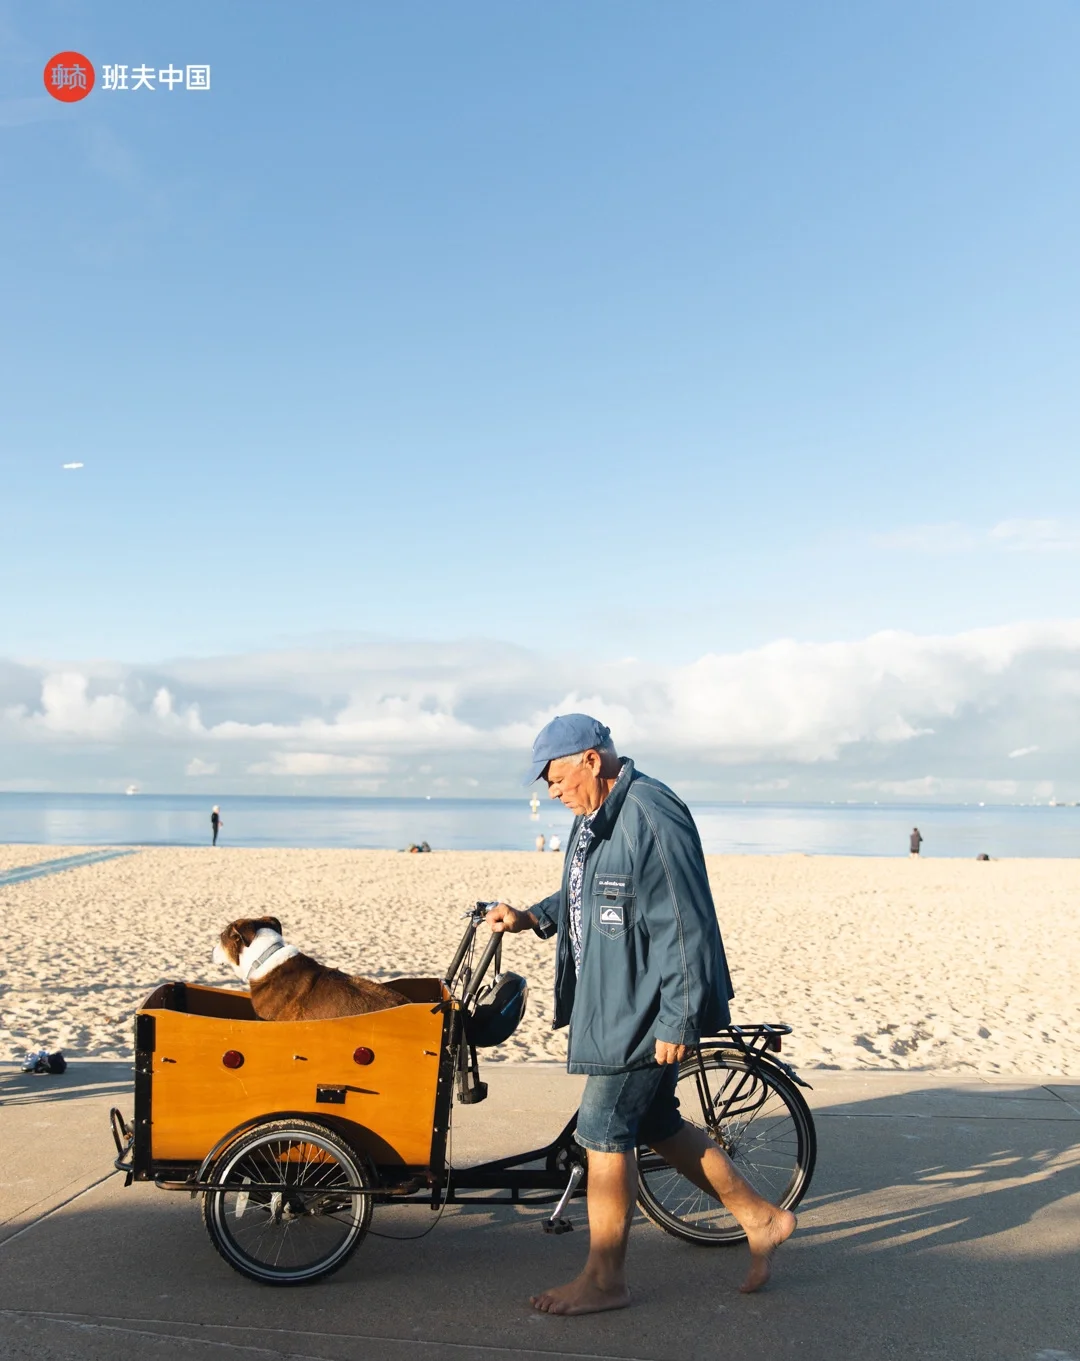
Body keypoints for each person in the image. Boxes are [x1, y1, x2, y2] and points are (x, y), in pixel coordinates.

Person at [487, 713, 795, 1316]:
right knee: (653, 1123)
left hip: (646, 1007)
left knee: (602, 1130)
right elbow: (587, 892)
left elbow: (685, 922)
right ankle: (762, 1219)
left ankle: (605, 1281)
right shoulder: (592, 818)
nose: (551, 792)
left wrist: (679, 1020)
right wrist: (532, 916)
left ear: (591, 760)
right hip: (614, 997)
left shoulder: (652, 812)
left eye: (555, 778)